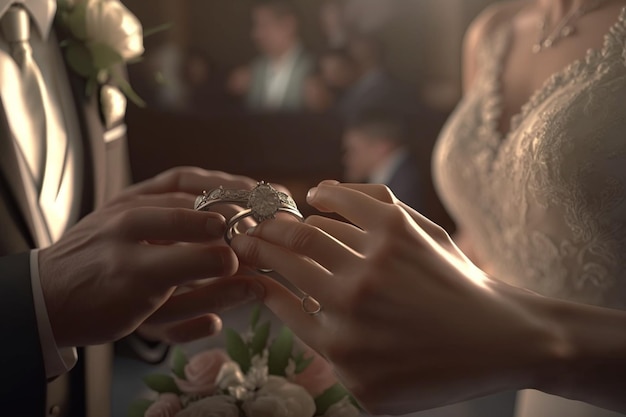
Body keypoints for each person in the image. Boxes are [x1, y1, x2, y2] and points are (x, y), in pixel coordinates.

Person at [224, 0, 626, 415]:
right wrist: (373, 315)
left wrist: (545, 345)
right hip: (508, 384)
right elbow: (496, 227)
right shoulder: (494, 31)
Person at [0, 1, 262, 416]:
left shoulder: (92, 26)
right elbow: (53, 286)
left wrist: (144, 299)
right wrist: (36, 305)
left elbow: (86, 245)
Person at [227, 0, 315, 111]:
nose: (256, 34)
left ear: (289, 25)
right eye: (256, 26)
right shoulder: (253, 70)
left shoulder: (314, 66)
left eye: (264, 25)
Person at [342, 108, 422, 210]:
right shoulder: (403, 177)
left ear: (381, 148)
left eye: (353, 150)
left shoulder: (405, 188)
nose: (346, 159)